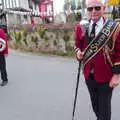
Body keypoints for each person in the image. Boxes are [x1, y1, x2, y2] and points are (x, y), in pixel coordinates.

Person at [74, 0, 120, 120]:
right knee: (96, 106)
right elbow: (77, 45)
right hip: (89, 76)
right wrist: (78, 53)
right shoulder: (81, 27)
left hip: (106, 77)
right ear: (87, 10)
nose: (93, 11)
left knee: (104, 111)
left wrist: (116, 75)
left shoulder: (113, 28)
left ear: (103, 8)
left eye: (97, 8)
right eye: (90, 9)